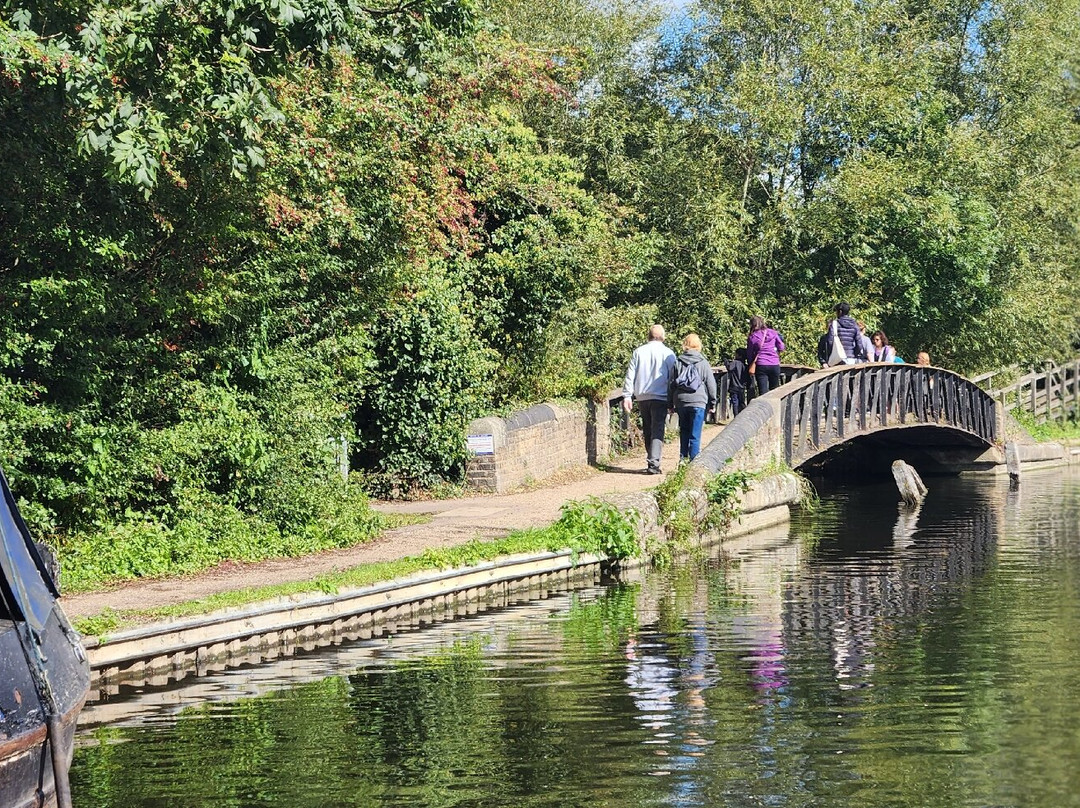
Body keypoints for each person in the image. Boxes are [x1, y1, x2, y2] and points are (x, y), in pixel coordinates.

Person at [623, 324, 677, 474]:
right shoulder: (669, 354)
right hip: (660, 395)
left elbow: (630, 374)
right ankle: (653, 463)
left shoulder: (639, 352)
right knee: (658, 428)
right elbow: (673, 377)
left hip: (642, 396)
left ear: (649, 336)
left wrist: (627, 395)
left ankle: (651, 457)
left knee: (647, 427)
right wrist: (673, 399)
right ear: (663, 337)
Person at [668, 333, 717, 462]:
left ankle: (682, 461)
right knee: (695, 435)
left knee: (684, 432)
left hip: (681, 401)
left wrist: (670, 404)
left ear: (685, 345)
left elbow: (671, 384)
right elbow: (711, 384)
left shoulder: (678, 362)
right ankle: (693, 464)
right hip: (698, 401)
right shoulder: (703, 362)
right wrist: (713, 402)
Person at [746, 315, 785, 395]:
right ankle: (775, 407)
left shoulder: (753, 336)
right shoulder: (773, 332)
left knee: (763, 392)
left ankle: (764, 406)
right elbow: (781, 346)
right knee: (775, 391)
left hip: (761, 364)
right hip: (774, 364)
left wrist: (750, 363)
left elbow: (749, 354)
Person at [822, 302, 865, 366]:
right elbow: (859, 345)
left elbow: (830, 342)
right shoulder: (855, 325)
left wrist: (830, 354)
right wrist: (854, 354)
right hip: (851, 359)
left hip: (838, 358)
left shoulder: (835, 324)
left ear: (840, 312)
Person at [725, 347, 751, 417]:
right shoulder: (745, 366)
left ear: (739, 355)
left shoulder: (735, 363)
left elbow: (729, 368)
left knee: (735, 402)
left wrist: (726, 362)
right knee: (742, 401)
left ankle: (736, 416)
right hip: (742, 387)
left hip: (734, 386)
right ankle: (744, 415)